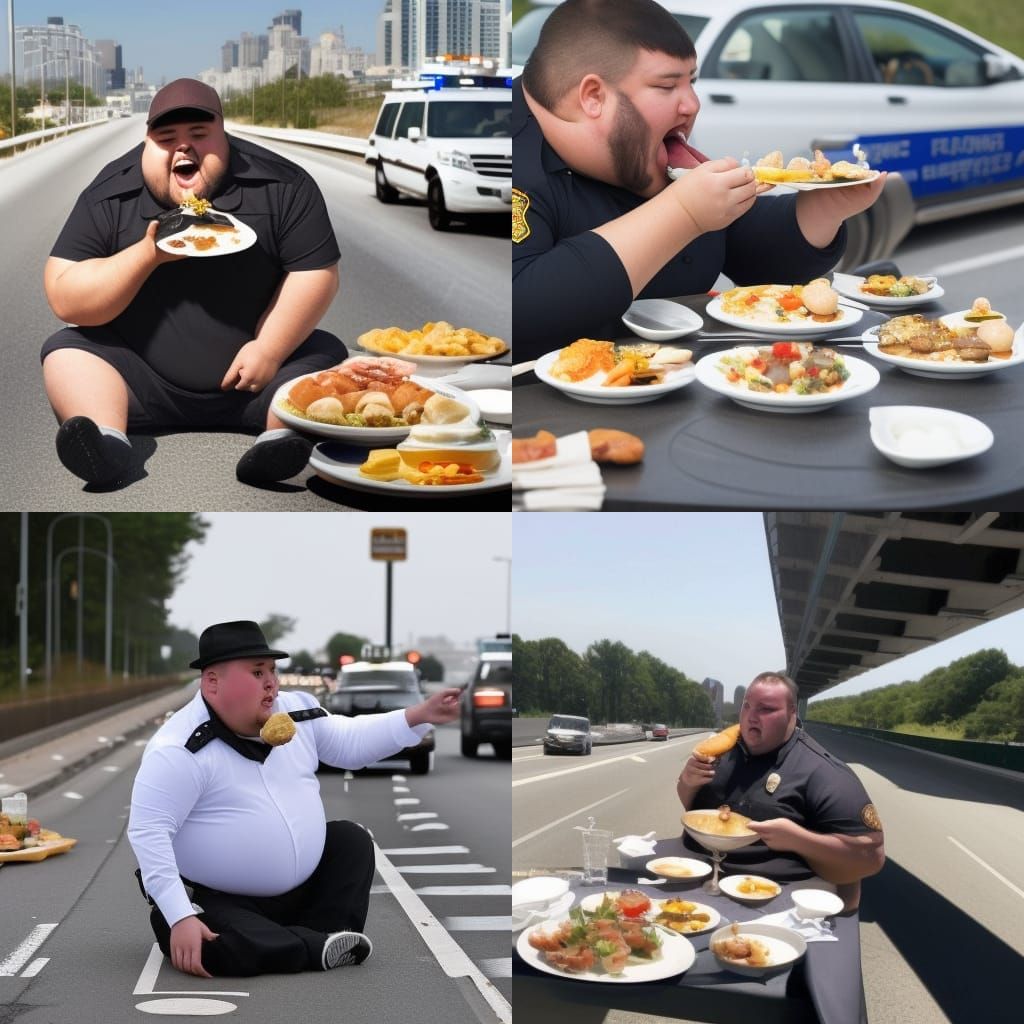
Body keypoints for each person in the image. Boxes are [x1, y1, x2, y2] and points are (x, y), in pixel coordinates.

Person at [512, 0, 887, 359]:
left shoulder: (644, 148)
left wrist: (822, 210)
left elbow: (742, 245)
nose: (692, 104)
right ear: (593, 96)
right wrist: (682, 213)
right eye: (666, 86)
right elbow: (524, 309)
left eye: (691, 82)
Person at [42, 79, 344, 489]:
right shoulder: (109, 193)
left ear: (224, 135)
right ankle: (107, 441)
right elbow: (65, 295)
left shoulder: (285, 184)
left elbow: (316, 272)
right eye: (167, 138)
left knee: (325, 352)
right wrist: (147, 254)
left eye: (199, 135)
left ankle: (279, 437)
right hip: (140, 383)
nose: (183, 147)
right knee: (65, 350)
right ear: (147, 143)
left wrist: (270, 349)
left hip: (258, 380)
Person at [127, 621, 461, 978]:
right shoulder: (179, 748)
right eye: (257, 672)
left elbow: (350, 741)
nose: (272, 682)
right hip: (222, 900)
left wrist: (420, 715)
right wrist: (180, 915)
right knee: (208, 943)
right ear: (212, 682)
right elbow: (148, 831)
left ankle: (305, 938)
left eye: (273, 670)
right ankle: (316, 946)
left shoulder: (295, 711)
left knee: (351, 840)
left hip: (301, 894)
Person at [676, 671, 884, 906]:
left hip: (769, 895)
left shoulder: (823, 772)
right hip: (691, 872)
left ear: (792, 713)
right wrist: (687, 783)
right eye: (747, 706)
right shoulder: (719, 752)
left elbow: (871, 857)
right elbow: (693, 807)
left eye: (766, 709)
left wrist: (798, 840)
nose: (751, 717)